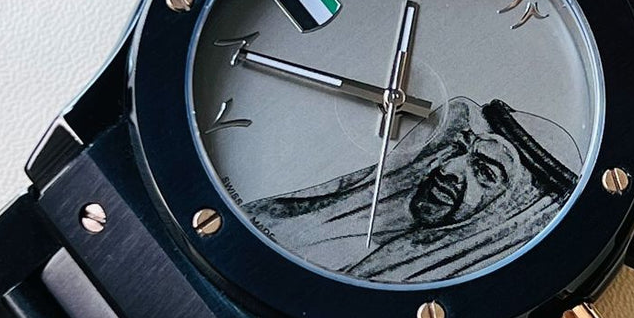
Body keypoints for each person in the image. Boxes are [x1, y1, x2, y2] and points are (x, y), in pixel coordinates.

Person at [246, 96, 582, 283]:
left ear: (512, 214)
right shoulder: (298, 223)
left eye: (484, 172)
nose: (448, 169)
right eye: (460, 149)